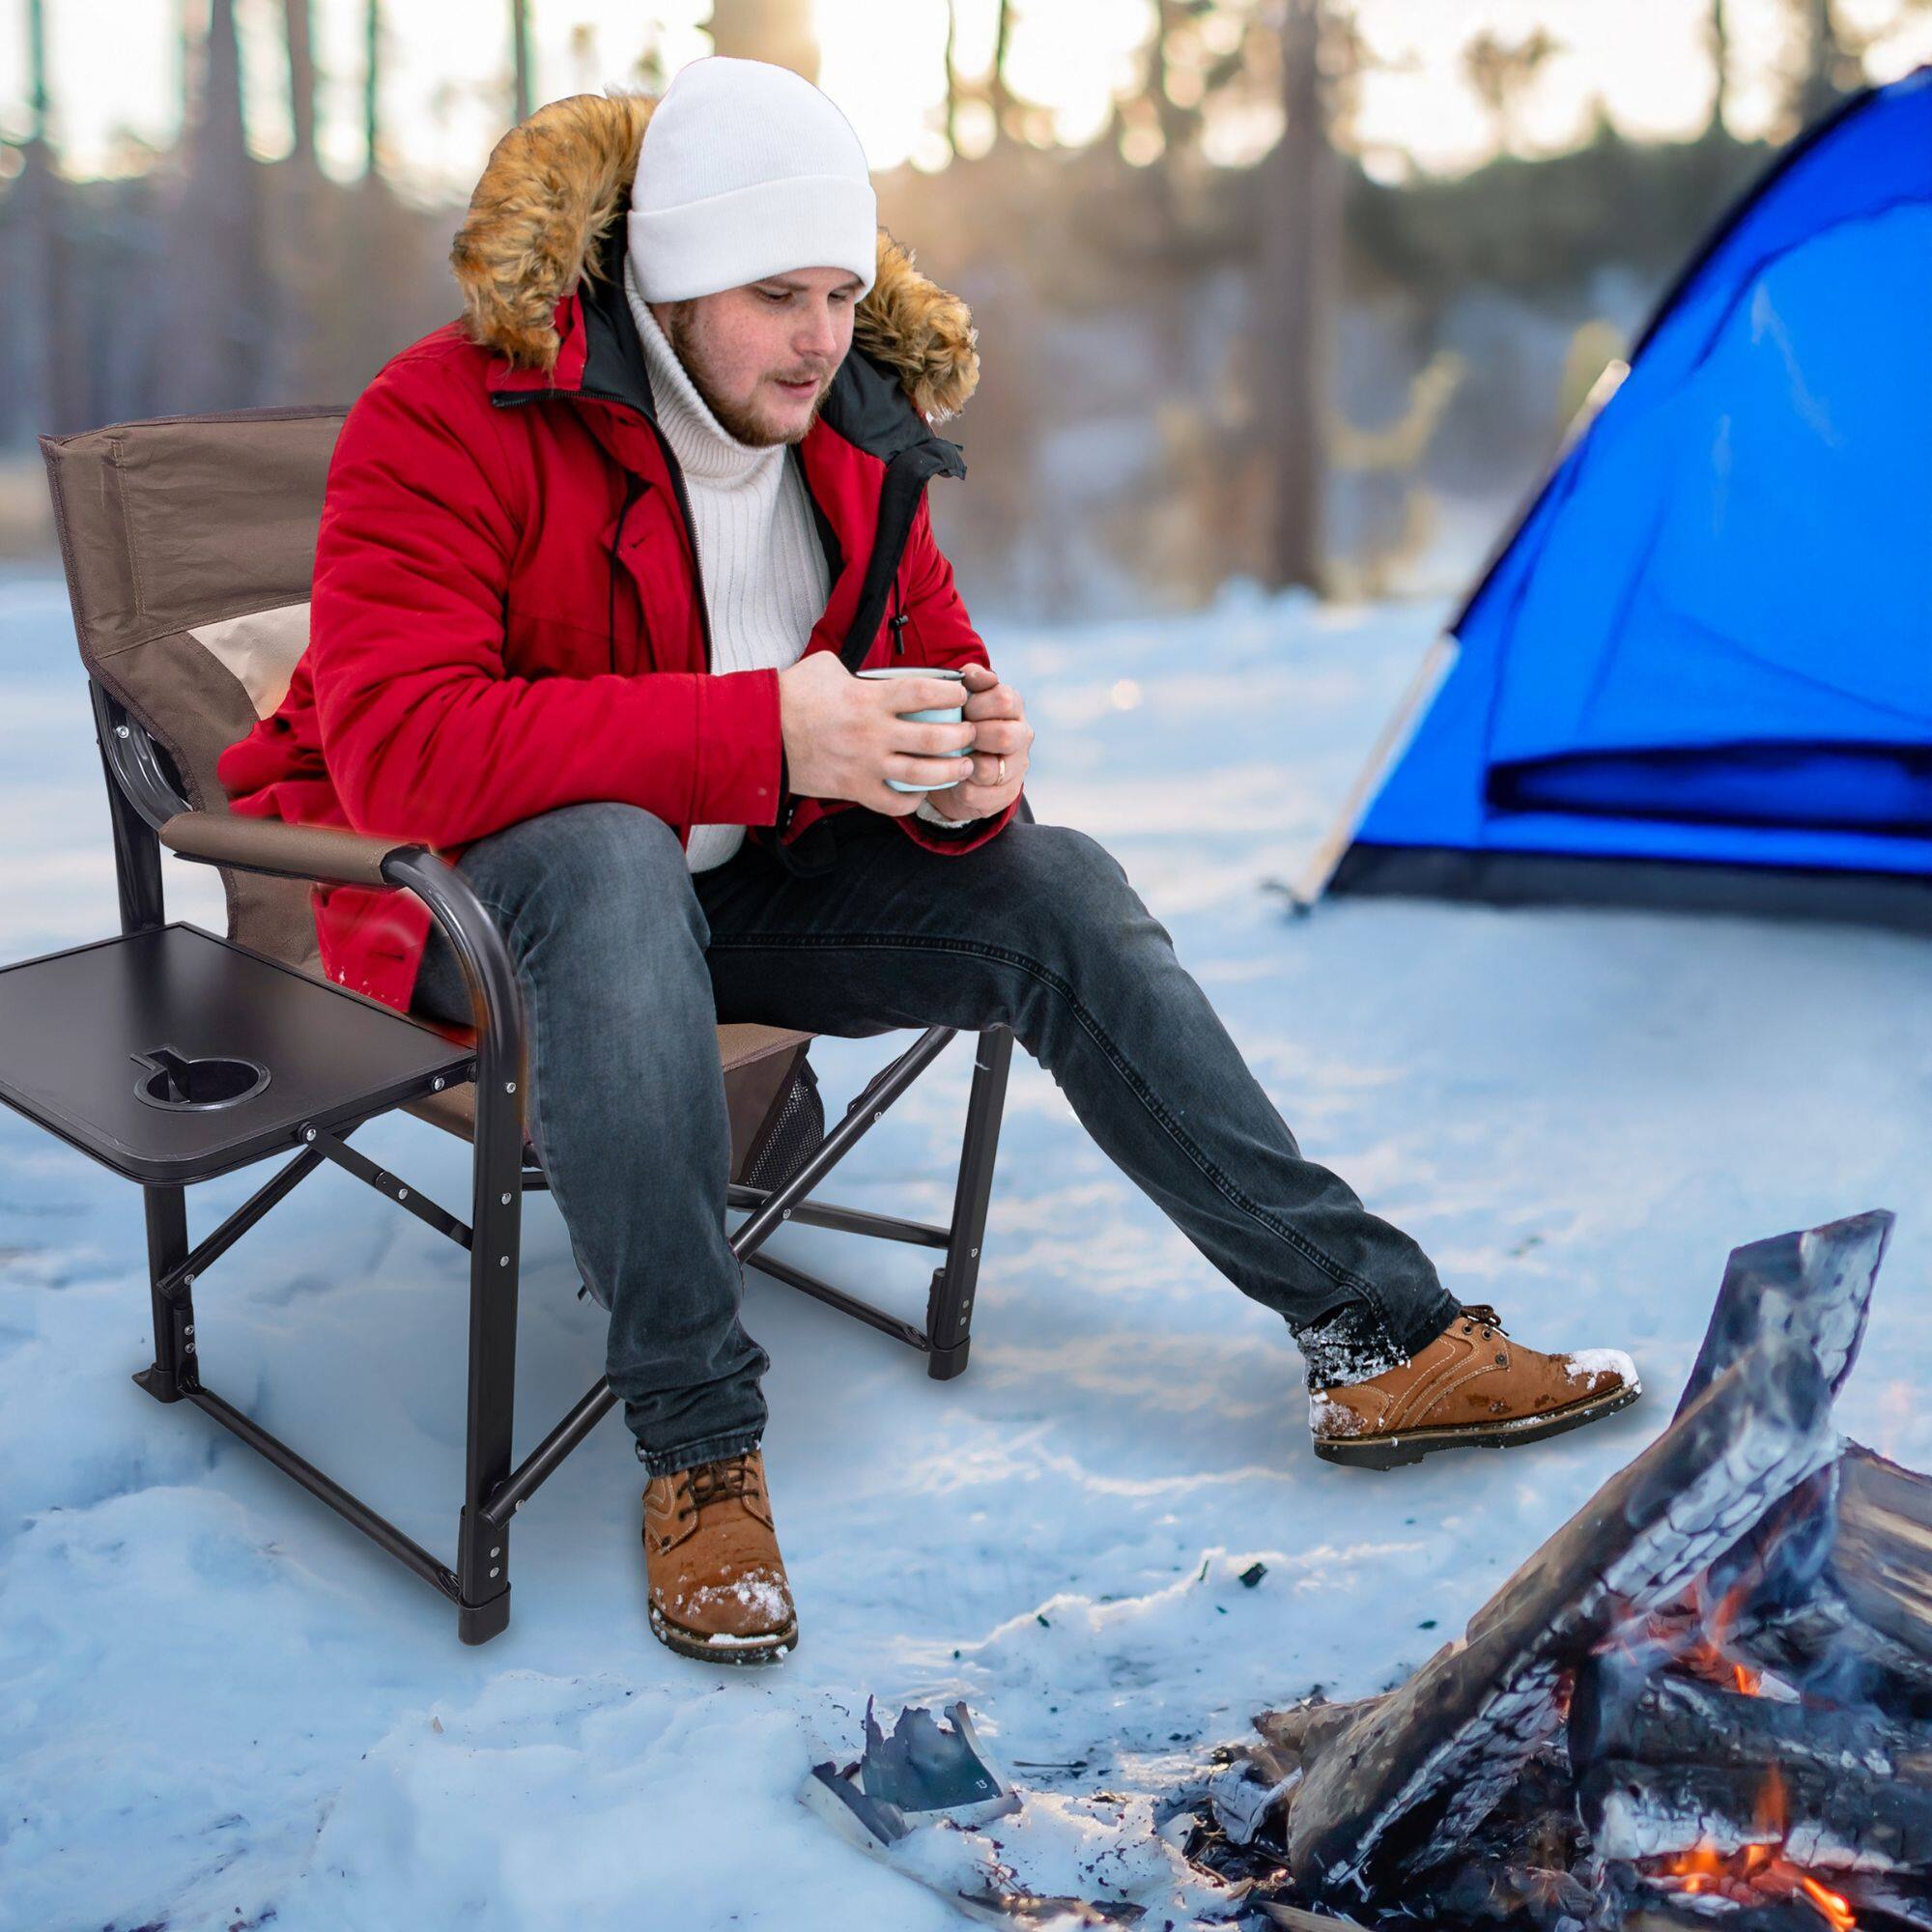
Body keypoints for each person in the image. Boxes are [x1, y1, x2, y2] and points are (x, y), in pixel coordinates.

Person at [215, 56, 1640, 1667]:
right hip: (492, 921)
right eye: (776, 296)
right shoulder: (450, 415)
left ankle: (1380, 1341)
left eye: (840, 292)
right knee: (609, 857)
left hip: (744, 887)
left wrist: (966, 776)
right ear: (669, 284)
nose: (821, 337)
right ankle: (697, 1448)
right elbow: (401, 752)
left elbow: (936, 669)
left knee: (1058, 889)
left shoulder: (855, 441)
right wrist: (768, 732)